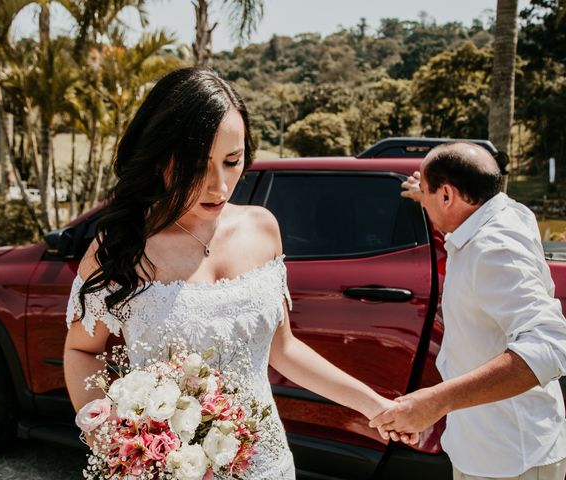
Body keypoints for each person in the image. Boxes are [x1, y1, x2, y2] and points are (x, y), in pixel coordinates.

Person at [63, 67, 414, 479]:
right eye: (197, 166)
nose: (219, 185)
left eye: (232, 161)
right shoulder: (120, 246)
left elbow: (284, 350)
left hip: (266, 464)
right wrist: (111, 435)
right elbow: (81, 350)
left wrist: (378, 406)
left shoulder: (263, 229)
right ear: (161, 158)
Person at [370, 142, 566, 480]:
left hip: (511, 459)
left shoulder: (493, 248)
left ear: (448, 195)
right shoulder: (507, 212)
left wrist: (435, 402)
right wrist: (427, 194)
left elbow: (550, 345)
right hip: (485, 445)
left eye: (431, 193)